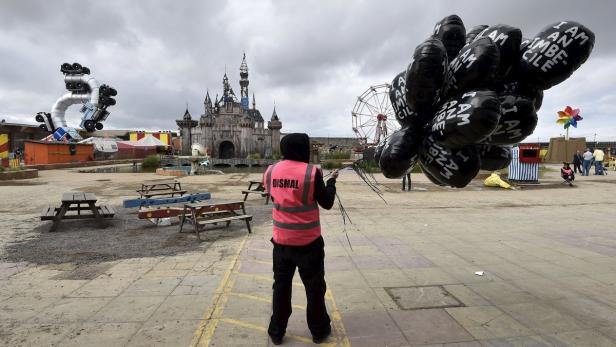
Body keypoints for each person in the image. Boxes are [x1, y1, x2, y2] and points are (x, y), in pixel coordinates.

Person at [263, 133, 337, 345]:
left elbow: (276, 195)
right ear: (303, 148)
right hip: (308, 243)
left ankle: (276, 332)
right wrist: (331, 182)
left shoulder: (270, 171)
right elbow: (327, 202)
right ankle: (318, 330)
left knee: (281, 287)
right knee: (314, 289)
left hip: (280, 242)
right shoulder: (312, 172)